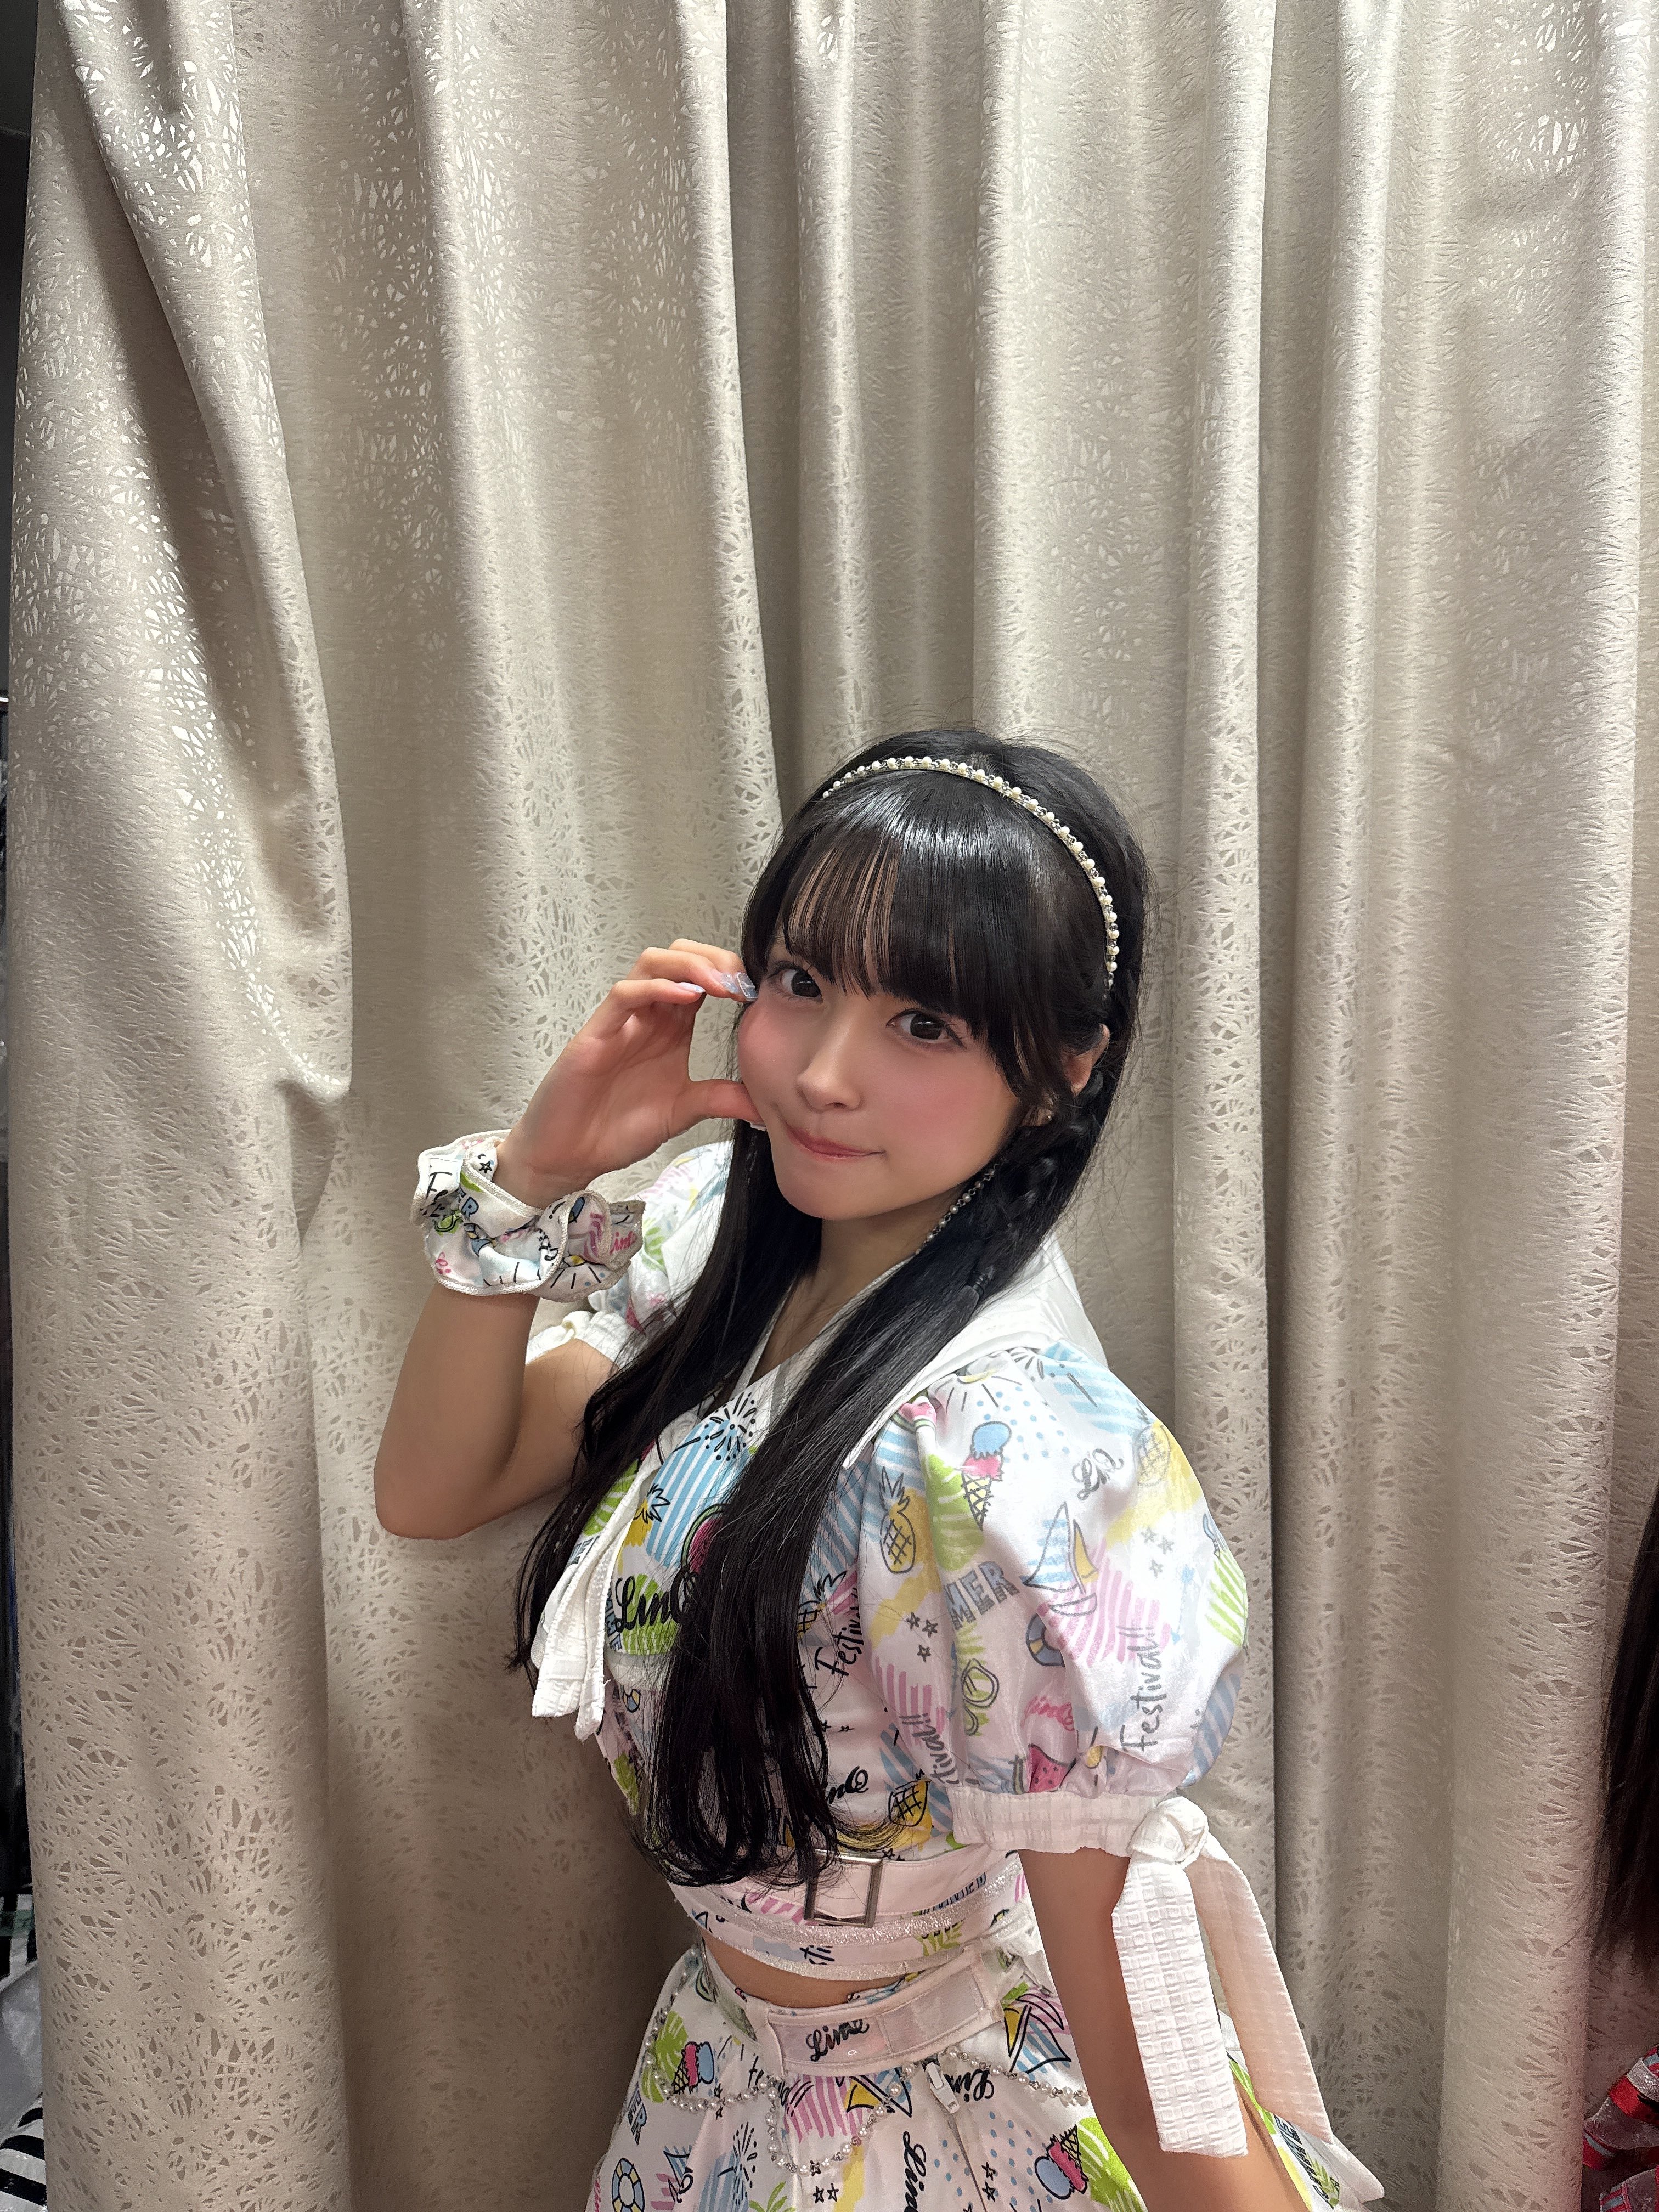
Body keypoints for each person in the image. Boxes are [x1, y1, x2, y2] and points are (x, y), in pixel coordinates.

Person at [376, 734, 1384, 2212]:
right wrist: (531, 1176)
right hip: (722, 2082)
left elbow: (1145, 2043)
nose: (826, 1075)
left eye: (923, 1022)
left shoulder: (1013, 1454)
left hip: (960, 2118)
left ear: (1064, 1072)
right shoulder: (721, 1247)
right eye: (800, 983)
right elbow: (432, 1486)